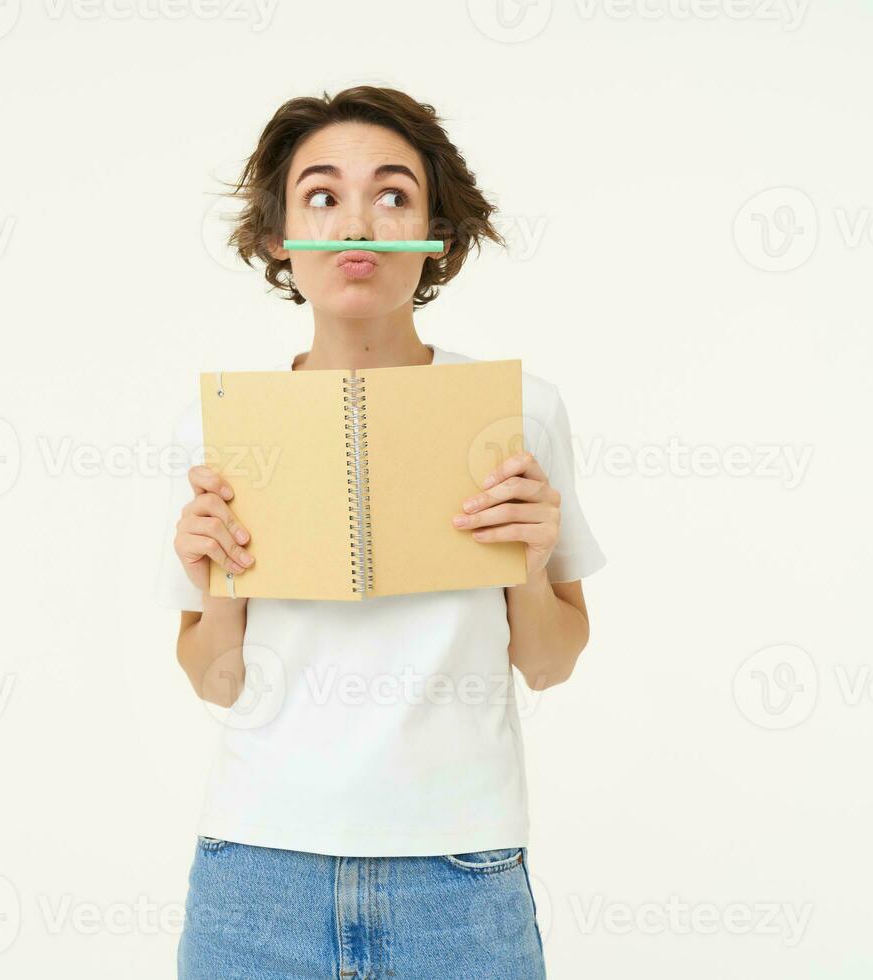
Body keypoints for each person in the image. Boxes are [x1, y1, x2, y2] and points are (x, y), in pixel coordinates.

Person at [154, 86, 606, 980]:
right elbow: (214, 680)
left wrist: (527, 562)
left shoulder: (520, 411)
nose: (356, 220)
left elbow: (551, 662)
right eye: (322, 195)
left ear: (437, 232)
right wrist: (217, 580)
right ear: (281, 238)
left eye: (393, 194)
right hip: (255, 875)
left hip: (461, 877)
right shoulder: (220, 426)